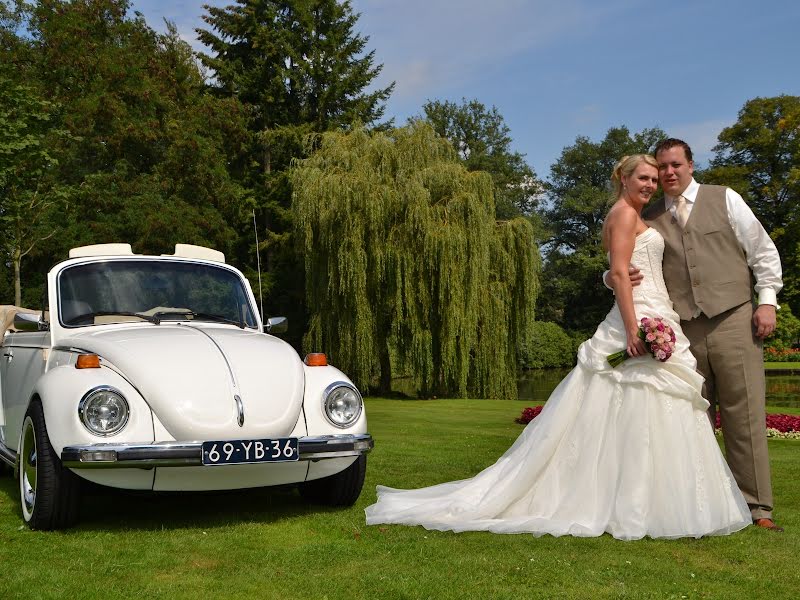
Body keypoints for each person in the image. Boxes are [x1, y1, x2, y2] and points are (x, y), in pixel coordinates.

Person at [365, 155, 752, 540]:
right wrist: (634, 331)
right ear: (623, 178)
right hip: (637, 317)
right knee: (631, 402)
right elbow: (619, 272)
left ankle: (656, 499)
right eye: (644, 178)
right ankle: (625, 502)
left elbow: (626, 268)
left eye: (654, 179)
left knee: (651, 408)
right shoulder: (622, 214)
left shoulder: (638, 216)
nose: (651, 185)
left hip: (658, 309)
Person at [637, 138, 783, 531]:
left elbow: (763, 252)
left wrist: (766, 300)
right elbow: (629, 261)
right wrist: (610, 276)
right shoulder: (648, 217)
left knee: (744, 414)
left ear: (689, 164)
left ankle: (756, 507)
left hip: (735, 317)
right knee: (688, 417)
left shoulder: (725, 198)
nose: (668, 173)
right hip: (682, 328)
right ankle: (698, 505)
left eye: (675, 165)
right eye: (662, 167)